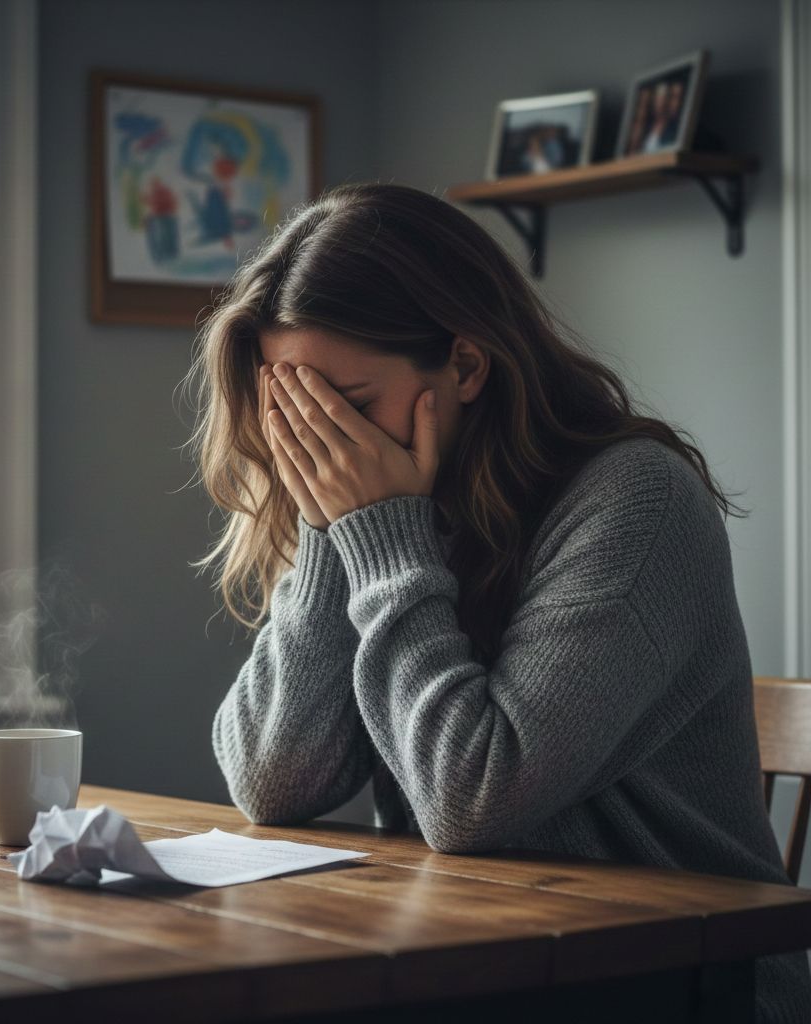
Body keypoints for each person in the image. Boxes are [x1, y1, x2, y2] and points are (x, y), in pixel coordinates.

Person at [184, 181, 811, 1021]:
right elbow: (274, 779)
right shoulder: (393, 506)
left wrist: (377, 529)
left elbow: (472, 798)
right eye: (294, 412)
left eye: (347, 408)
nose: (316, 441)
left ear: (466, 366)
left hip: (688, 985)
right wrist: (337, 526)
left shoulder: (638, 503)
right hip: (485, 965)